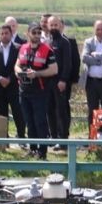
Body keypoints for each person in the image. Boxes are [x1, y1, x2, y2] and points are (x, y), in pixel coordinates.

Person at [16, 23, 59, 159]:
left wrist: (37, 74)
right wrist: (18, 72)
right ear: (28, 33)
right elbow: (17, 64)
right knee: (29, 121)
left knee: (40, 121)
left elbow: (54, 69)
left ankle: (43, 151)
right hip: (24, 90)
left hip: (40, 91)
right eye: (34, 33)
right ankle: (33, 148)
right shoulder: (23, 48)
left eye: (39, 33)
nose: (36, 35)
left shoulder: (47, 50)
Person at [0, 24, 26, 139]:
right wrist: (0, 78)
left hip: (14, 87)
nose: (4, 36)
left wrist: (10, 79)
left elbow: (22, 65)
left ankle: (21, 136)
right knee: (1, 114)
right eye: (2, 33)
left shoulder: (19, 48)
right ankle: (3, 139)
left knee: (18, 113)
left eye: (7, 33)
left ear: (11, 34)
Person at [45, 16, 74, 150]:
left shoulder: (64, 42)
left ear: (60, 26)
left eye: (56, 25)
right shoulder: (47, 42)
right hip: (48, 83)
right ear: (48, 26)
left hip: (60, 82)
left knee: (61, 111)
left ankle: (63, 140)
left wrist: (63, 80)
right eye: (51, 25)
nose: (54, 27)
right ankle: (54, 137)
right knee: (50, 110)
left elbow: (68, 64)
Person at [81, 20, 102, 134]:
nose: (100, 32)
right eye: (98, 29)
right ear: (94, 29)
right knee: (92, 111)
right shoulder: (88, 42)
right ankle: (92, 135)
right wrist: (100, 61)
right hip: (91, 82)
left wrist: (96, 55)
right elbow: (84, 57)